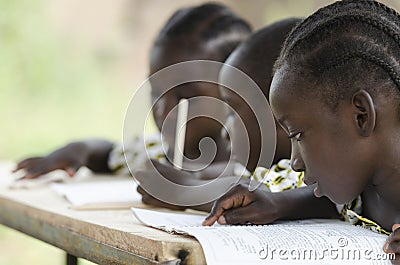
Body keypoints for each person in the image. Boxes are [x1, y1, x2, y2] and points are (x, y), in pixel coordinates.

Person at [202, 0, 400, 260]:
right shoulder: (369, 185)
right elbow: (339, 204)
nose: (295, 163)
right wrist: (278, 203)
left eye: (298, 134)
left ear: (361, 116)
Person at [13, 3, 252, 179]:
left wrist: (191, 184)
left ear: (235, 97)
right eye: (156, 91)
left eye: (185, 96)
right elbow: (110, 153)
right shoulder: (162, 154)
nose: (163, 109)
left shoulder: (258, 167)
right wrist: (81, 149)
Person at [136, 18, 302, 210]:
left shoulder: (307, 178)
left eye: (231, 111)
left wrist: (183, 191)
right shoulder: (256, 167)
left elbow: (261, 196)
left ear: (278, 117)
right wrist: (193, 176)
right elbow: (230, 174)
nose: (225, 129)